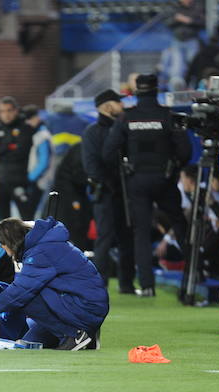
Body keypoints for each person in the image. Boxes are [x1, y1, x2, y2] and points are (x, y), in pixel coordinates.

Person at [103, 73, 190, 297]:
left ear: (136, 91)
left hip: (137, 180)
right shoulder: (167, 116)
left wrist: (125, 165)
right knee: (179, 224)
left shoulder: (126, 118)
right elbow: (185, 151)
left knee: (141, 233)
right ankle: (193, 273)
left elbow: (108, 151)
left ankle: (147, 284)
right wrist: (173, 167)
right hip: (165, 179)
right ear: (156, 89)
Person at [0, 217, 109, 350]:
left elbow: (21, 290)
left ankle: (74, 334)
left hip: (86, 306)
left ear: (10, 241)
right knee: (30, 342)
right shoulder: (43, 244)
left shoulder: (40, 251)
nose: (4, 249)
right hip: (84, 302)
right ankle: (87, 336)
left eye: (3, 245)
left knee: (24, 297)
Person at [82, 88, 134, 294]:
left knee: (126, 238)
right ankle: (100, 283)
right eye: (118, 102)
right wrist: (109, 185)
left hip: (123, 192)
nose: (122, 106)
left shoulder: (119, 128)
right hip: (106, 193)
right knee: (104, 238)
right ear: (108, 106)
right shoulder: (93, 132)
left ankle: (126, 283)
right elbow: (91, 166)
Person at [0, 96, 34, 220]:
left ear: (16, 111)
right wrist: (10, 146)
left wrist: (1, 147)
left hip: (21, 181)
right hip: (0, 182)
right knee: (3, 221)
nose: (6, 114)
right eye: (2, 111)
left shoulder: (26, 129)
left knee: (27, 219)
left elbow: (21, 152)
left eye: (9, 110)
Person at [22, 105, 53, 218]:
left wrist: (30, 178)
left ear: (35, 118)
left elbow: (44, 162)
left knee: (31, 215)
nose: (27, 123)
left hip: (39, 181)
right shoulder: (38, 134)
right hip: (38, 180)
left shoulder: (42, 136)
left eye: (29, 119)